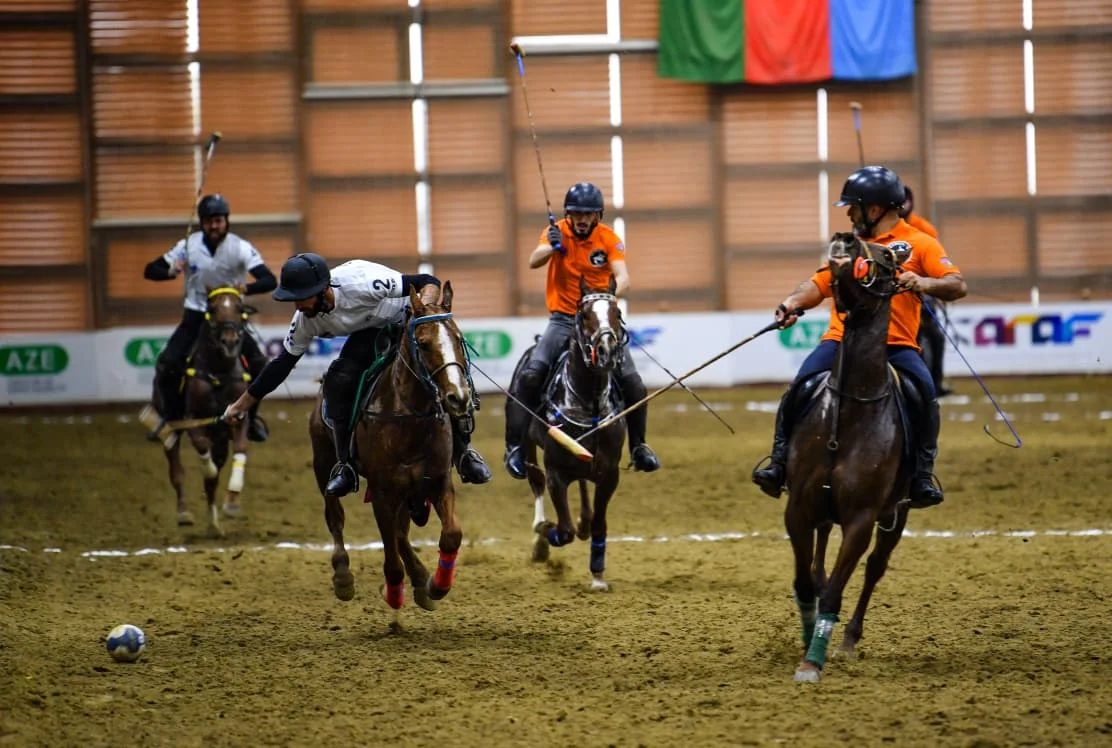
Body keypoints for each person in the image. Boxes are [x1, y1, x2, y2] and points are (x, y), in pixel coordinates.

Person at [751, 166, 967, 508]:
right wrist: (792, 302)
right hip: (840, 341)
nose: (849, 213)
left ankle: (922, 476)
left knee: (925, 393)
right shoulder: (846, 246)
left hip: (896, 346)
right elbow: (818, 284)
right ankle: (778, 463)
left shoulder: (921, 242)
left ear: (877, 208)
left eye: (854, 206)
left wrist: (923, 282)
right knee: (800, 387)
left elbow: (957, 285)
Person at [220, 253, 492, 497]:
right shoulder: (305, 319)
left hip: (406, 320)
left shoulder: (363, 283)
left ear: (321, 289)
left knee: (445, 371)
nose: (296, 306)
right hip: (367, 333)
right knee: (338, 380)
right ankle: (346, 465)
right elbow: (280, 365)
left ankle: (464, 452)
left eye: (299, 298)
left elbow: (427, 280)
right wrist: (240, 406)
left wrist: (424, 312)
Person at [503, 182, 660, 480]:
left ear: (598, 215)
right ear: (568, 214)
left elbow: (623, 276)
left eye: (588, 214)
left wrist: (612, 295)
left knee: (634, 384)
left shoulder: (609, 238)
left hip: (599, 318)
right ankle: (515, 448)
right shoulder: (557, 231)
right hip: (563, 319)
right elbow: (533, 261)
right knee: (531, 375)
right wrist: (550, 246)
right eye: (576, 213)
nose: (582, 219)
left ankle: (639, 447)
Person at [143, 194, 274, 442]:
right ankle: (172, 419)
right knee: (168, 364)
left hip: (230, 318)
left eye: (219, 220)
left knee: (260, 366)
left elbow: (269, 279)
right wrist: (171, 270)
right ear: (202, 223)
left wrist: (244, 289)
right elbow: (151, 270)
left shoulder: (240, 247)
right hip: (196, 316)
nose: (214, 226)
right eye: (209, 221)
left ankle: (252, 419)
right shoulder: (187, 246)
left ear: (226, 221)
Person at [899, 186, 952, 396]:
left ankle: (936, 384)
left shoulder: (925, 229)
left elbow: (937, 264)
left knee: (936, 337)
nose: (902, 205)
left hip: (923, 288)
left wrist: (934, 286)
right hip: (896, 294)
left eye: (905, 201)